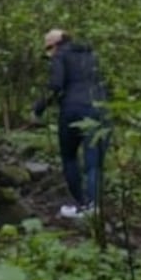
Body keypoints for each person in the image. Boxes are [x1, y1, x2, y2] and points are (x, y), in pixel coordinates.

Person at [32, 28, 110, 219]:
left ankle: (82, 204)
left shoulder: (60, 56)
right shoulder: (92, 55)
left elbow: (56, 85)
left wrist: (38, 109)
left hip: (72, 111)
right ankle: (93, 206)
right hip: (99, 109)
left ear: (56, 45)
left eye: (48, 48)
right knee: (94, 163)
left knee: (69, 157)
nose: (48, 54)